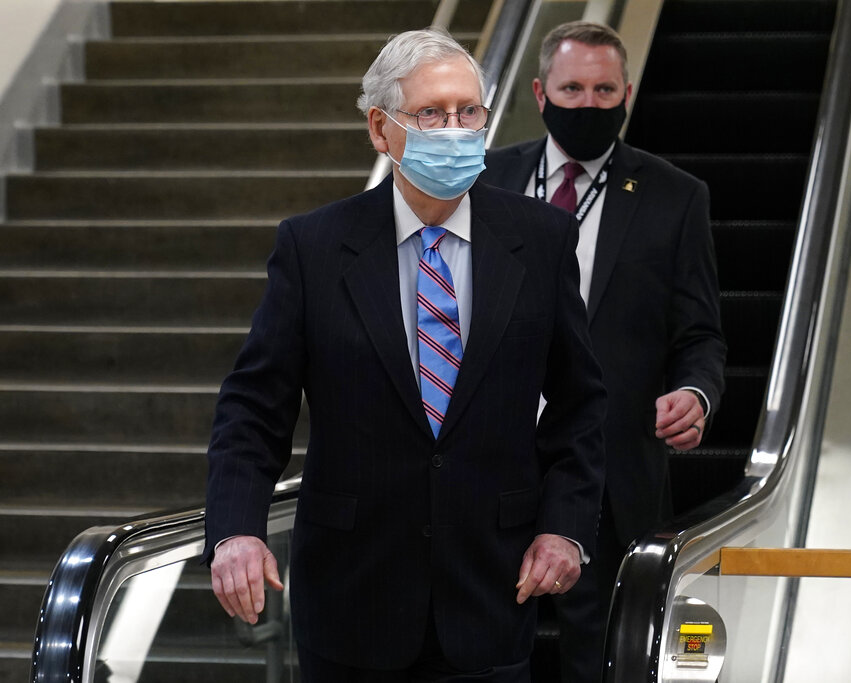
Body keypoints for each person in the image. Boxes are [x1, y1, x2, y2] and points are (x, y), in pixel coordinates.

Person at [203, 28, 606, 682]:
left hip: (494, 593)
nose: (455, 128)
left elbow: (580, 402)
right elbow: (253, 407)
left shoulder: (542, 240)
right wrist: (234, 529)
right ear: (380, 129)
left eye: (467, 111)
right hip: (351, 602)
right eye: (430, 113)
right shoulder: (314, 247)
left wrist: (565, 526)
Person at [480, 20, 727, 683]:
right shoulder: (483, 181)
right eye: (572, 88)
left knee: (604, 653)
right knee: (485, 643)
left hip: (611, 471)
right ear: (539, 91)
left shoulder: (676, 197)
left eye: (603, 89)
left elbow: (700, 333)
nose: (588, 103)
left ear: (627, 91)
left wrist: (696, 394)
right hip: (487, 463)